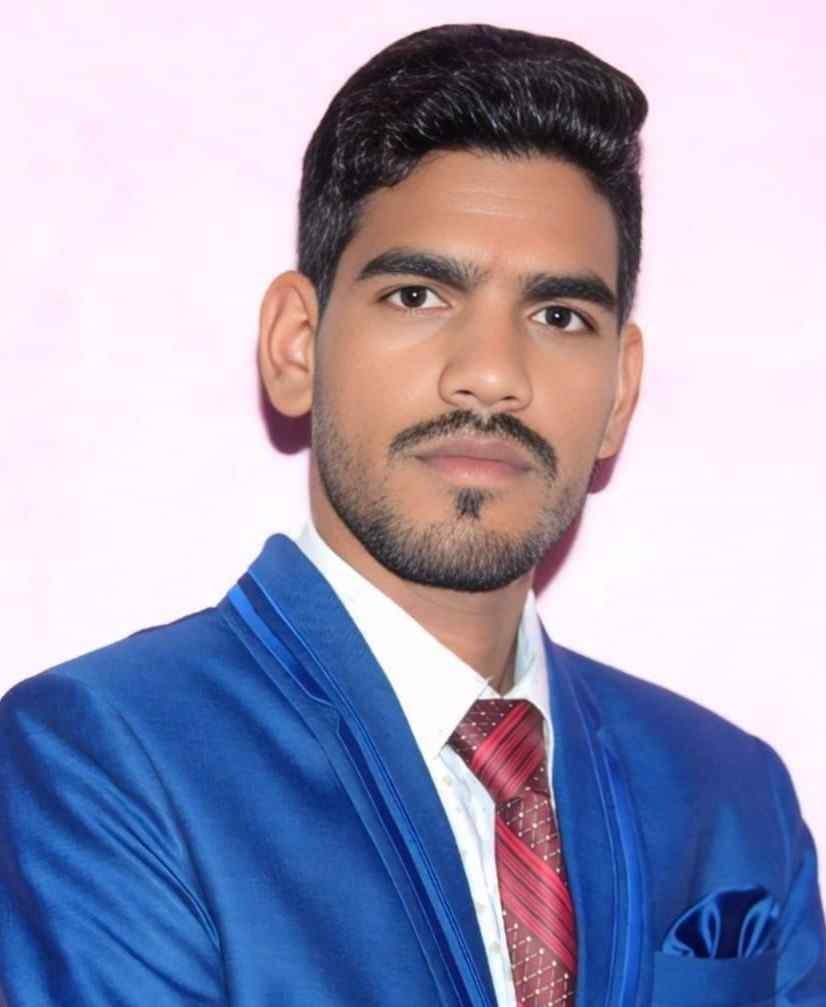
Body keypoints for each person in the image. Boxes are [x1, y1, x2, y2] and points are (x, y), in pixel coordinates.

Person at [1, 21, 823, 1007]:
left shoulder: (730, 797)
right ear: (297, 344)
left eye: (559, 315)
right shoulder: (104, 759)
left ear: (619, 391)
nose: (491, 372)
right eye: (418, 295)